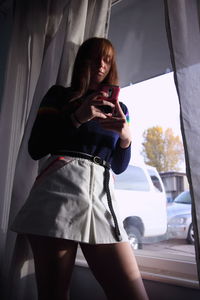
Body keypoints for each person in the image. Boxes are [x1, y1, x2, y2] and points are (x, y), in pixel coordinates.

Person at [12, 37, 149, 300]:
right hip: (57, 192)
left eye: (107, 59)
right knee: (55, 295)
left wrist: (126, 138)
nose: (101, 64)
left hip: (101, 196)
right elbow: (36, 148)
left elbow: (118, 167)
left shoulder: (121, 108)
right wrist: (77, 117)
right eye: (95, 57)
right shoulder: (59, 95)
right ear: (82, 61)